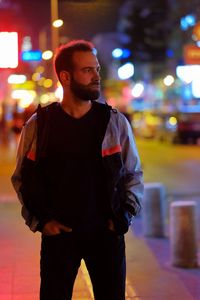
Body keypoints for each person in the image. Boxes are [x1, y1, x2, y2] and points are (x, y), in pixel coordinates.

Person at [11, 39, 143, 300]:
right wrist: (40, 222)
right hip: (58, 237)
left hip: (106, 235)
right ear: (65, 77)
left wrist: (123, 216)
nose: (97, 76)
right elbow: (22, 178)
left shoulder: (113, 122)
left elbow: (133, 174)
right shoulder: (40, 125)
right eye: (88, 70)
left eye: (97, 69)